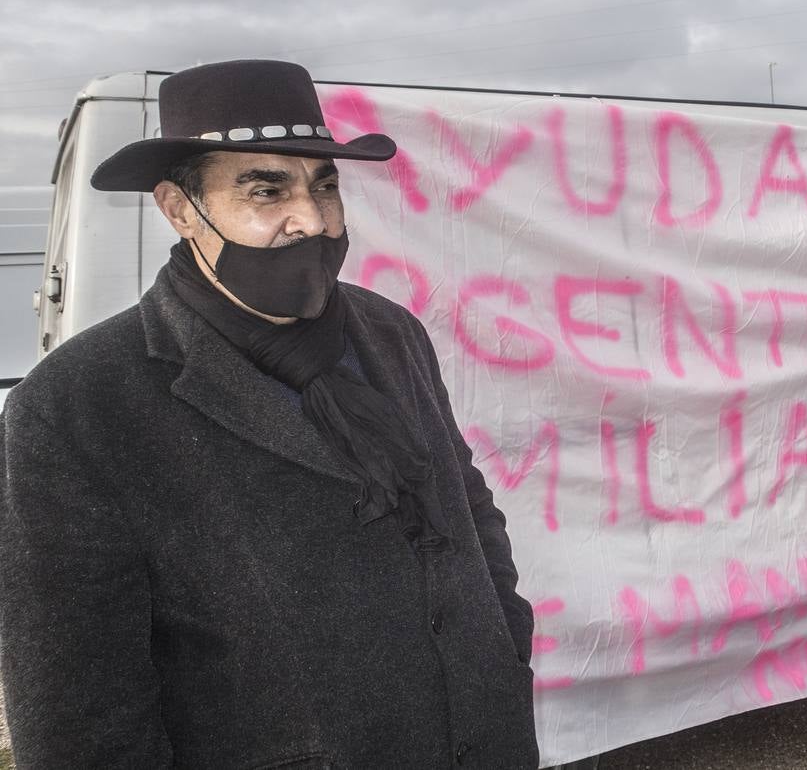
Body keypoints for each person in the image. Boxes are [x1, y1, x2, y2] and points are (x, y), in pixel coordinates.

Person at [0, 60, 538, 768]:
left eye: (325, 186)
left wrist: (503, 644)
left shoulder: (390, 333)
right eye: (266, 190)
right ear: (179, 208)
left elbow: (466, 507)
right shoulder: (76, 405)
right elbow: (82, 712)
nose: (312, 220)